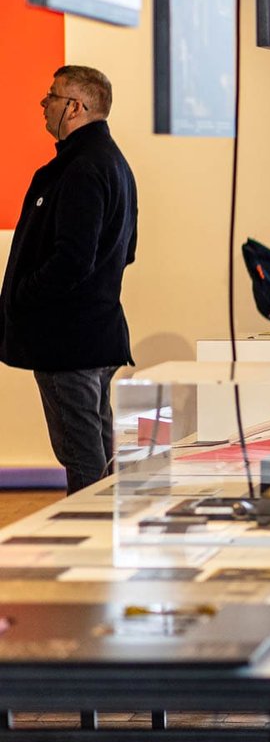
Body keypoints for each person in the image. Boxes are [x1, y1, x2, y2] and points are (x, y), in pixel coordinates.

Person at [0, 66, 138, 493]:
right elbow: (126, 252)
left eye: (52, 96)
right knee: (97, 452)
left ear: (75, 107)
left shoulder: (82, 168)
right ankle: (106, 542)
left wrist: (20, 296)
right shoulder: (111, 162)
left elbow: (72, 261)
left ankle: (93, 549)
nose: (44, 103)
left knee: (83, 461)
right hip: (94, 335)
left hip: (69, 343)